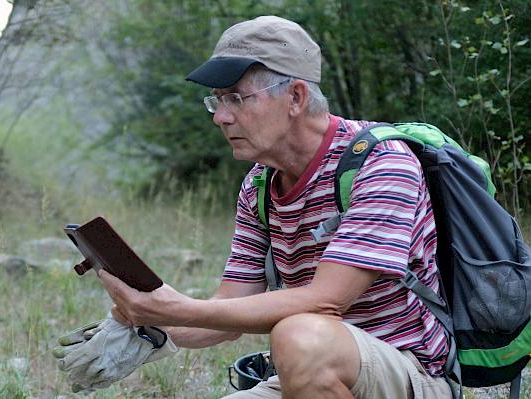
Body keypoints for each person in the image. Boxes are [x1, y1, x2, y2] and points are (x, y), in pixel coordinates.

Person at [96, 15, 453, 399]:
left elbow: (325, 301)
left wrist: (177, 309)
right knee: (300, 338)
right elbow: (229, 313)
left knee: (298, 332)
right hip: (311, 371)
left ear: (296, 97)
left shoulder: (381, 163)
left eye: (235, 97)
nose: (220, 117)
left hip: (409, 372)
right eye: (216, 101)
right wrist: (145, 321)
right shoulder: (259, 185)